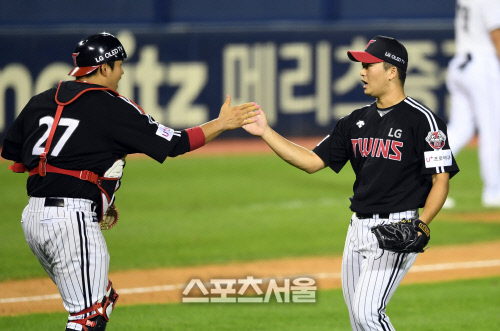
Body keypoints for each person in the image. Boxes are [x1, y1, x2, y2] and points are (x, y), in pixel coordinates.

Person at [1, 32, 259, 331]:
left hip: (33, 218)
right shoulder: (112, 106)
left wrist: (93, 192)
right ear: (104, 67)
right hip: (70, 221)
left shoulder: (40, 100)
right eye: (119, 64)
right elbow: (174, 143)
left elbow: (20, 159)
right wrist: (222, 123)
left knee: (101, 299)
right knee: (88, 317)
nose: (122, 72)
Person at [244, 36, 459, 330]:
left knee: (368, 313)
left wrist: (422, 223)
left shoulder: (423, 120)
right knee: (358, 321)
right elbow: (310, 162)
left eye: (369, 65)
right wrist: (266, 132)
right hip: (357, 229)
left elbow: (440, 180)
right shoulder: (354, 121)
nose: (361, 72)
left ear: (392, 71)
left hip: (397, 228)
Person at [444, 0, 500, 208]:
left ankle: (424, 181)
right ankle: (494, 191)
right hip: (482, 63)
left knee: (460, 129)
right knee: (493, 129)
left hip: (461, 63)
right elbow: (497, 36)